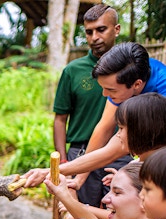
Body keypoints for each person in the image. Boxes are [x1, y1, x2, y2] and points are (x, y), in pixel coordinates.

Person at [23, 43, 166, 188]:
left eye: (110, 90)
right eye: (103, 88)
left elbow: (116, 149)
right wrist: (79, 179)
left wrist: (51, 172)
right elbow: (104, 128)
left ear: (137, 85)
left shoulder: (161, 90)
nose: (105, 95)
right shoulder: (124, 80)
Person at [52, 4, 125, 219]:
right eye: (89, 32)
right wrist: (65, 161)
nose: (95, 37)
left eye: (101, 30)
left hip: (119, 153)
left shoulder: (130, 69)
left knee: (119, 217)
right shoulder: (73, 71)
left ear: (116, 30)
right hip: (81, 151)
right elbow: (60, 119)